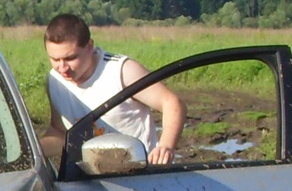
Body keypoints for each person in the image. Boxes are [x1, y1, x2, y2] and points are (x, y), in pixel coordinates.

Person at [42, 12, 185, 166]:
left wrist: (166, 146)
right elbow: (60, 132)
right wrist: (30, 154)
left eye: (70, 58)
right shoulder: (55, 81)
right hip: (91, 177)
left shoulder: (121, 72)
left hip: (141, 173)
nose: (63, 68)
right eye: (55, 59)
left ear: (90, 46)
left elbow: (171, 103)